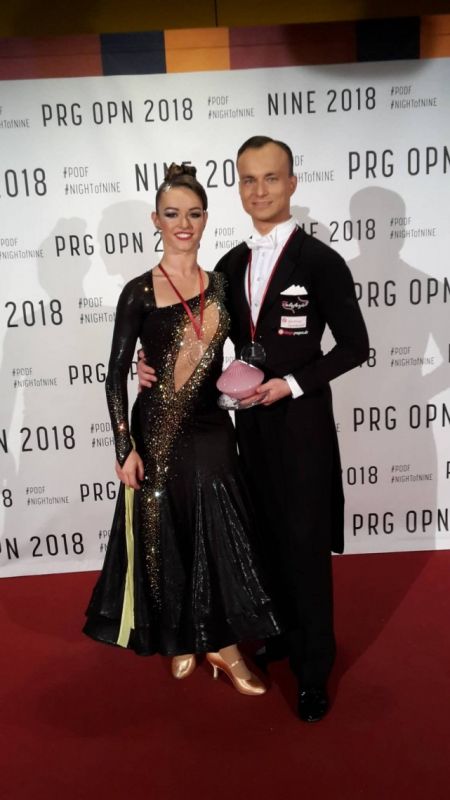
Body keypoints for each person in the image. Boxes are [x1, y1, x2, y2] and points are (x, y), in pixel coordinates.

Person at [138, 137, 369, 722]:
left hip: (302, 427)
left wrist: (290, 385)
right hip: (248, 431)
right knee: (264, 539)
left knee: (306, 548)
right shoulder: (230, 267)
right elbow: (198, 338)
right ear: (238, 187)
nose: (259, 190)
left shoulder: (321, 262)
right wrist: (152, 365)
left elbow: (355, 346)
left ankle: (313, 672)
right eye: (248, 179)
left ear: (291, 183)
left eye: (270, 178)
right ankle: (283, 635)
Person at [83, 163, 281, 696]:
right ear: (156, 220)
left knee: (217, 528)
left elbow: (251, 345)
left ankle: (224, 645)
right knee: (164, 532)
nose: (184, 224)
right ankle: (181, 637)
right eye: (172, 214)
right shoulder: (138, 292)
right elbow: (114, 374)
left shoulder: (223, 284)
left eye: (193, 213)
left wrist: (252, 373)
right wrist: (123, 447)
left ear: (206, 218)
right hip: (156, 431)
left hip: (212, 425)